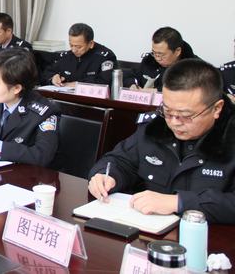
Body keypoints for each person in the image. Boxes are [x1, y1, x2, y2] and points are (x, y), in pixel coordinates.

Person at [88, 59, 235, 224]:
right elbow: (119, 160)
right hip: (145, 229)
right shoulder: (155, 128)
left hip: (209, 235)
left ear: (216, 108)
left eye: (185, 116)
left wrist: (178, 202)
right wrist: (106, 175)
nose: (174, 122)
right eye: (167, 111)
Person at [42, 23, 117, 86]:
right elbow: (48, 72)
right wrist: (53, 78)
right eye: (71, 45)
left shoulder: (105, 57)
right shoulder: (67, 56)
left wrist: (77, 84)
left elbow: (105, 82)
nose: (74, 50)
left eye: (78, 47)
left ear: (91, 44)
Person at [125, 27, 197, 91]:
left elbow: (187, 89)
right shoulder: (150, 60)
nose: (157, 58)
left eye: (161, 54)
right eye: (154, 53)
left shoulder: (195, 68)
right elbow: (132, 75)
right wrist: (132, 84)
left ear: (177, 51)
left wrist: (157, 91)